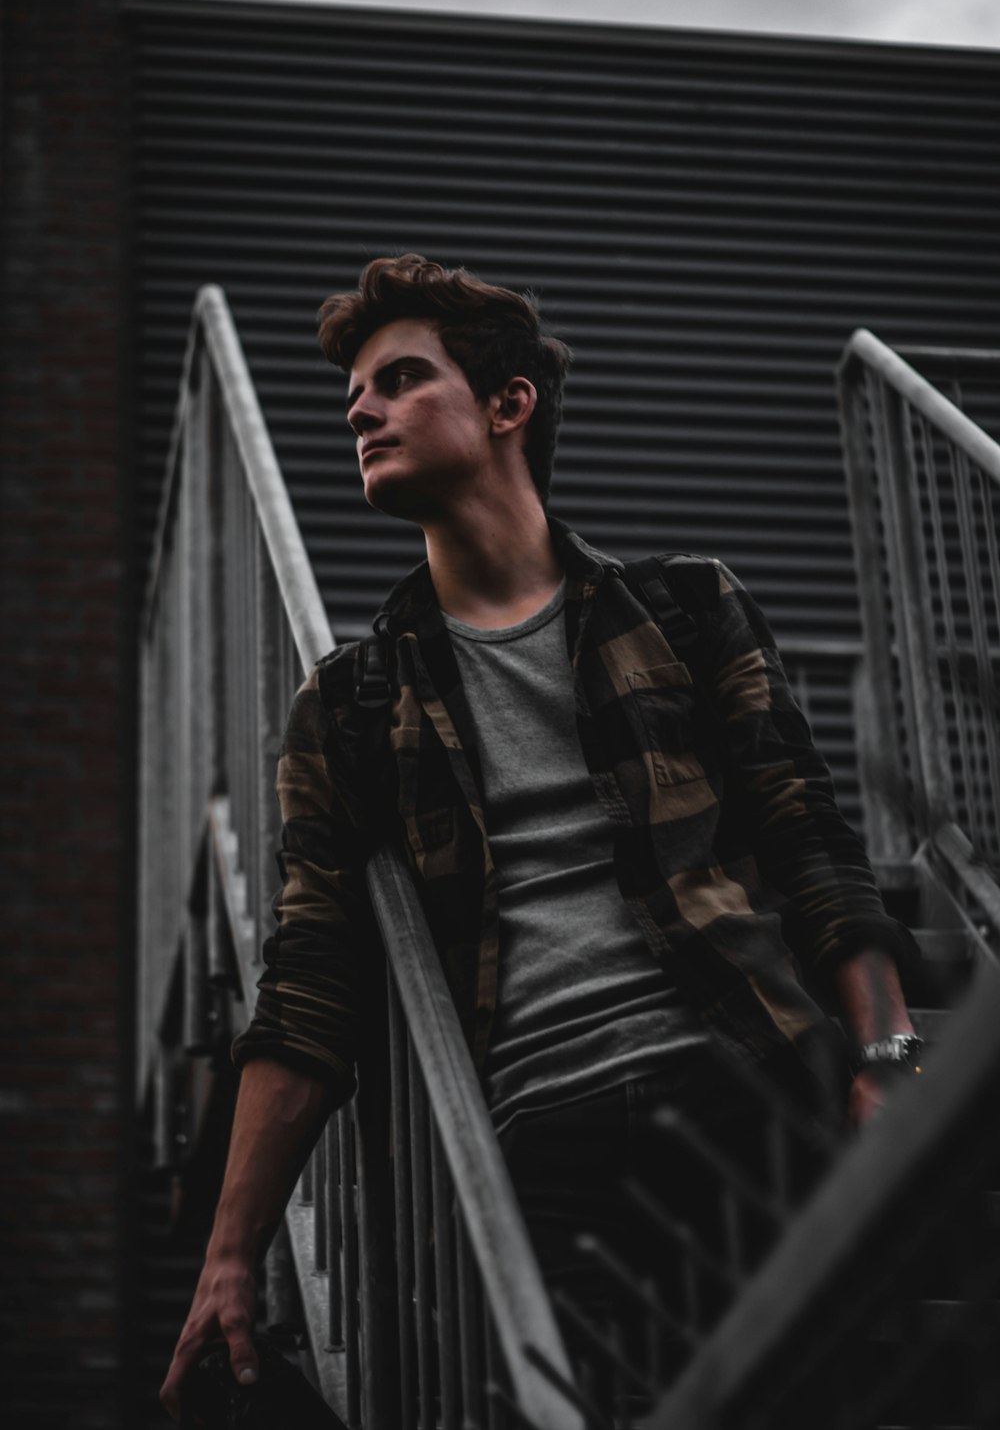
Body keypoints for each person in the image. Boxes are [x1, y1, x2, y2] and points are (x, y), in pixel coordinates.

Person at [160, 254, 919, 1418]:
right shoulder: (352, 707)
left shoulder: (687, 609)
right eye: (353, 393)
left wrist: (885, 1059)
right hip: (534, 1157)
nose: (359, 409)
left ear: (508, 404)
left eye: (400, 379)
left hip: (743, 1087)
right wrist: (228, 1256)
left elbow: (807, 840)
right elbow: (313, 983)